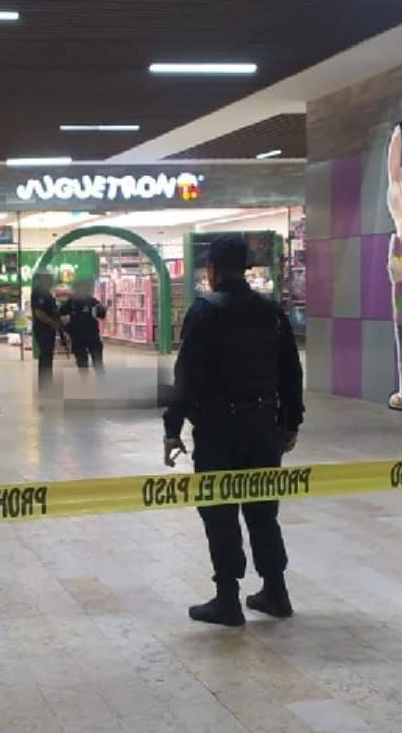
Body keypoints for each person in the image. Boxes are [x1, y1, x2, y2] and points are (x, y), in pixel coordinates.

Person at [163, 235, 304, 626]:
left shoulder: (205, 311)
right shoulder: (272, 312)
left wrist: (172, 429)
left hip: (218, 429)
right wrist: (292, 422)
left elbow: (186, 376)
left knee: (220, 511)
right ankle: (276, 591)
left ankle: (228, 598)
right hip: (263, 427)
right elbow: (291, 372)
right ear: (245, 268)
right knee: (263, 511)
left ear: (212, 270)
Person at [59, 279, 106, 371]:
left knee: (88, 362)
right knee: (90, 362)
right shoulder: (74, 302)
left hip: (85, 335)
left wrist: (66, 327)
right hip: (85, 335)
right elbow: (60, 314)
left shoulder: (90, 302)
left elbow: (101, 314)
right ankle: (94, 381)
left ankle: (89, 381)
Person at [30, 273, 61, 388]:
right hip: (43, 329)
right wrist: (52, 322)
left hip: (49, 328)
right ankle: (44, 383)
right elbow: (39, 313)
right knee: (45, 355)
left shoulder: (47, 293)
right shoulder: (39, 293)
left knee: (48, 355)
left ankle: (47, 381)